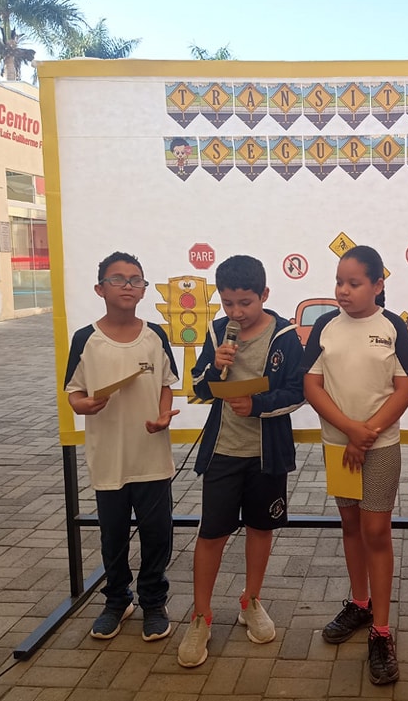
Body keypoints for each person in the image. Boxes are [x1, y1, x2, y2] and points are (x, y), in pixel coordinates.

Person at [176, 254, 304, 668]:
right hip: (223, 452)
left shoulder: (285, 335)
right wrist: (214, 368)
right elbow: (199, 386)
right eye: (228, 303)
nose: (236, 312)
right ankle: (201, 616)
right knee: (211, 533)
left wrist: (258, 405)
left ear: (264, 294)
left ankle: (251, 601)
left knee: (260, 529)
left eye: (245, 303)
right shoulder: (217, 332)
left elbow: (297, 392)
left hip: (267, 455)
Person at [301, 245, 408, 685]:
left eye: (354, 283)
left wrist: (367, 433)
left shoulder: (392, 328)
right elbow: (312, 385)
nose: (343, 291)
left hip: (380, 447)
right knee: (350, 526)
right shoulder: (325, 327)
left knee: (376, 532)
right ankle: (360, 603)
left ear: (377, 285)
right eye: (339, 282)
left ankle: (381, 631)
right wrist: (351, 431)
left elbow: (405, 388)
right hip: (339, 446)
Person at [64, 251, 180, 642]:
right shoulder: (86, 339)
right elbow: (73, 393)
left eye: (136, 280)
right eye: (118, 279)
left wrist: (163, 416)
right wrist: (84, 405)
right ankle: (117, 601)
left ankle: (153, 601)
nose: (128, 286)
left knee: (157, 534)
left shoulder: (155, 336)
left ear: (144, 290)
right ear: (100, 289)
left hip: (151, 456)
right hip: (108, 458)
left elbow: (166, 385)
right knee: (112, 535)